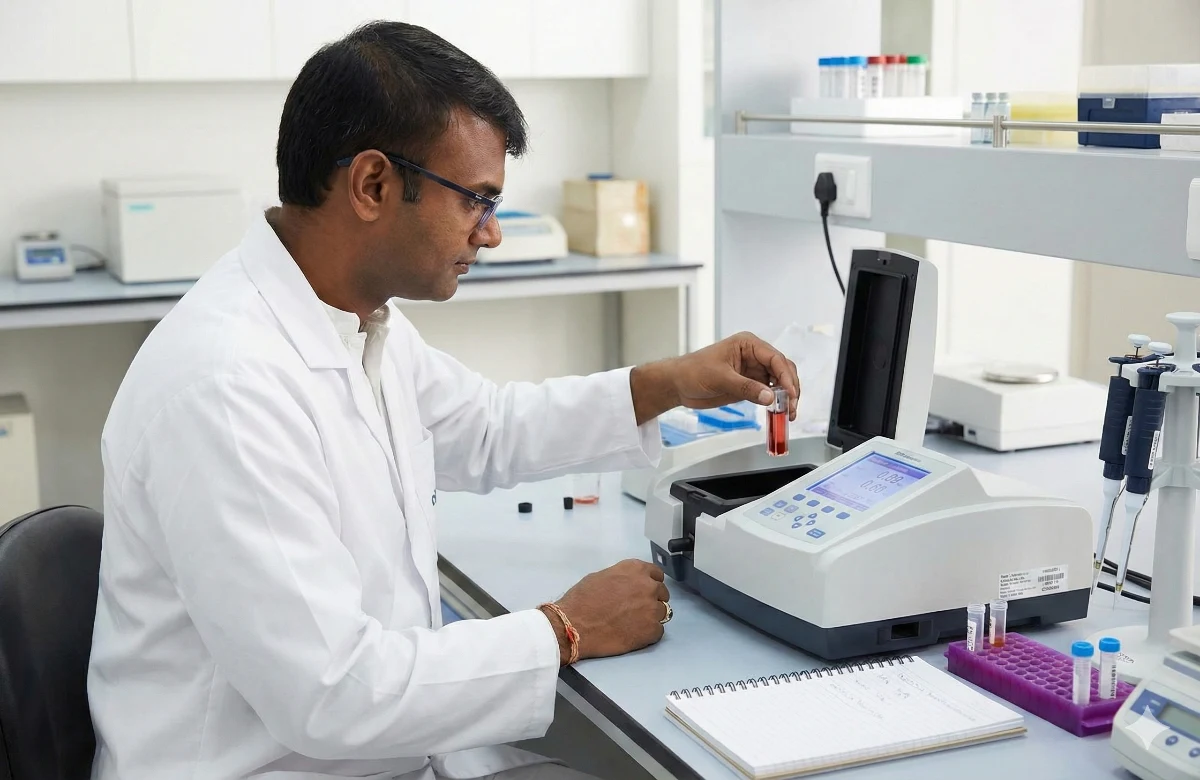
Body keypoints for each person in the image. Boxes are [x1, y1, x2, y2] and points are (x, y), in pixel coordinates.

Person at [87, 20, 799, 780]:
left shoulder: (352, 320)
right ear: (372, 185)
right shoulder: (227, 385)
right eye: (476, 201)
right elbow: (332, 694)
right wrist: (564, 629)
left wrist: (674, 380)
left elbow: (486, 427)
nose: (489, 235)